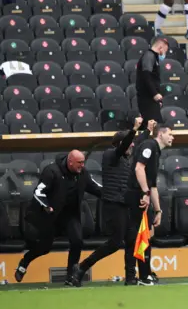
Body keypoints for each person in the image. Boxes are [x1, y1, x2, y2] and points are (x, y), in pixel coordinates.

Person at [70, 117, 156, 287]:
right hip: (112, 204)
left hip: (125, 204)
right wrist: (134, 128)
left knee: (131, 240)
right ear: (120, 143)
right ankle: (81, 267)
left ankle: (131, 277)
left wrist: (147, 131)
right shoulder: (111, 155)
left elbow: (135, 143)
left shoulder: (126, 160)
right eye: (128, 143)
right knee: (116, 242)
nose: (132, 146)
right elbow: (127, 144)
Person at [14, 150, 102, 284]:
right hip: (51, 214)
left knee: (77, 241)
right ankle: (25, 261)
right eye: (79, 163)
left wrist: (113, 194)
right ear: (70, 161)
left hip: (70, 215)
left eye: (83, 162)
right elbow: (38, 191)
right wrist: (46, 205)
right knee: (44, 248)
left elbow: (96, 188)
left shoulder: (82, 173)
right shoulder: (52, 171)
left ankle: (71, 277)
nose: (82, 165)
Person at [124, 124, 174, 285]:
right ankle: (132, 276)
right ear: (160, 134)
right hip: (135, 195)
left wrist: (158, 210)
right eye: (170, 134)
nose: (172, 137)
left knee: (147, 234)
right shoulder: (149, 145)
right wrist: (144, 193)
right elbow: (139, 169)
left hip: (143, 194)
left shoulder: (156, 151)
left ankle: (145, 274)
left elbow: (153, 185)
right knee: (134, 236)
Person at [136, 37, 169, 129]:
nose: (164, 54)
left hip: (152, 99)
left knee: (153, 126)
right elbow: (146, 76)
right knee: (156, 127)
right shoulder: (149, 56)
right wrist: (154, 94)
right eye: (164, 51)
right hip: (147, 98)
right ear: (160, 47)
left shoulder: (154, 57)